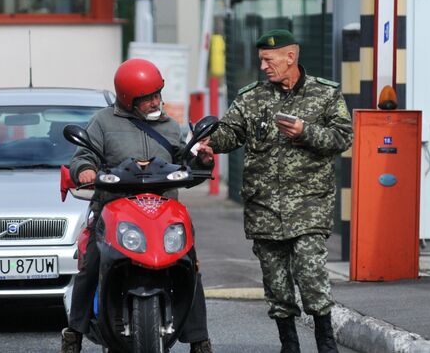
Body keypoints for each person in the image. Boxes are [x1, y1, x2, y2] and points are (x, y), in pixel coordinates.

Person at [198, 29, 353, 353]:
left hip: (309, 205)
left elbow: (343, 138)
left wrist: (304, 131)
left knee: (311, 276)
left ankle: (326, 344)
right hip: (264, 207)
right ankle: (289, 345)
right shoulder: (252, 97)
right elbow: (231, 132)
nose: (264, 67)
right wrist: (210, 144)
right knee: (277, 285)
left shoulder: (325, 95)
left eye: (269, 60)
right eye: (261, 61)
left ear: (290, 57)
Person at [60, 58, 214, 353]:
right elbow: (82, 157)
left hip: (164, 210)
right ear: (129, 100)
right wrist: (85, 171)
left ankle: (200, 339)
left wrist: (201, 160)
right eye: (149, 97)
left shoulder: (170, 126)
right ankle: (74, 334)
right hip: (114, 208)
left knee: (190, 265)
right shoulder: (103, 122)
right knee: (90, 265)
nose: (157, 101)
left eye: (158, 93)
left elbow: (184, 165)